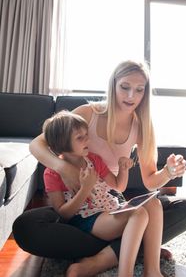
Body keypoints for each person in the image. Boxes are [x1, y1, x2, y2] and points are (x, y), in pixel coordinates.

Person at [13, 60, 186, 276]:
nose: (131, 96)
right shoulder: (87, 114)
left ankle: (112, 261)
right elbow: (37, 144)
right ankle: (134, 248)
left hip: (108, 204)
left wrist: (168, 172)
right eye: (125, 87)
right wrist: (64, 168)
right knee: (26, 226)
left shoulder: (142, 126)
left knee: (180, 208)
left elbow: (149, 181)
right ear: (113, 85)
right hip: (81, 211)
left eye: (139, 90)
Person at [42, 110, 164, 277]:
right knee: (139, 214)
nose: (88, 140)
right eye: (80, 138)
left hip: (111, 209)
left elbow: (118, 186)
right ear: (62, 144)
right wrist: (85, 189)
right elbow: (63, 213)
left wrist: (123, 169)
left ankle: (152, 272)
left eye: (86, 135)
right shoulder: (52, 173)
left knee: (153, 204)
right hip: (88, 219)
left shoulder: (94, 159)